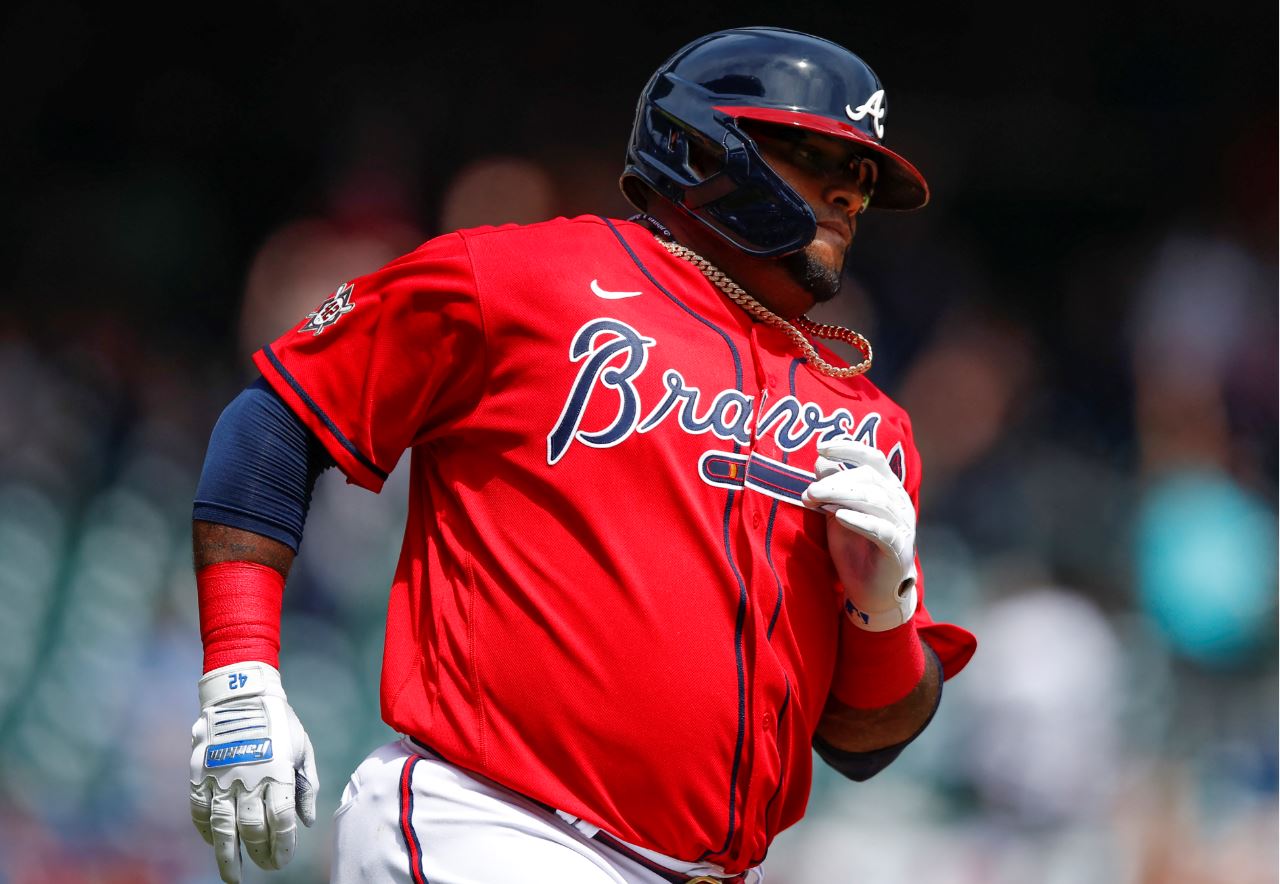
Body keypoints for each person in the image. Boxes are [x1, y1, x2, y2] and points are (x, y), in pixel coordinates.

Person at [188, 26, 977, 884]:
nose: (848, 193)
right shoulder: (529, 280)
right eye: (813, 153)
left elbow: (864, 741)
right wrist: (240, 673)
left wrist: (882, 610)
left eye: (863, 175)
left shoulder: (868, 423)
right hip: (494, 826)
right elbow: (278, 419)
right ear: (706, 144)